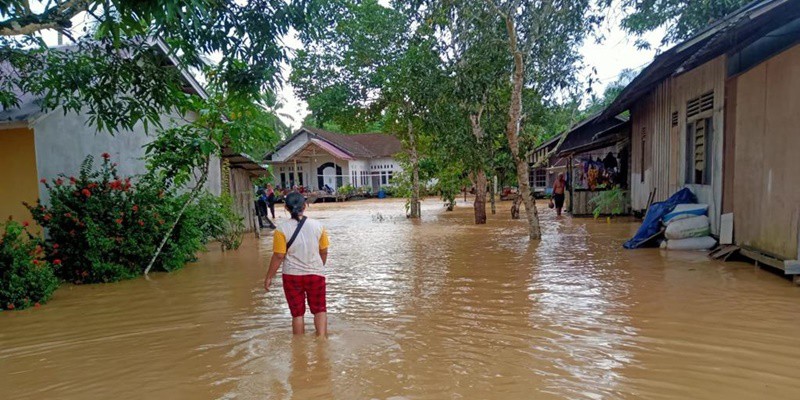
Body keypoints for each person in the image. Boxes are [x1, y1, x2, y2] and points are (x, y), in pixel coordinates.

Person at [264, 192, 330, 337]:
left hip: (292, 276)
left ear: (286, 208)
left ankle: (299, 347)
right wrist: (319, 266)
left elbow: (279, 255)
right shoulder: (318, 226)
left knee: (297, 314)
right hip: (315, 274)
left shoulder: (281, 229)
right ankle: (322, 341)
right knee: (320, 309)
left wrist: (269, 277)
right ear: (305, 206)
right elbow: (324, 251)